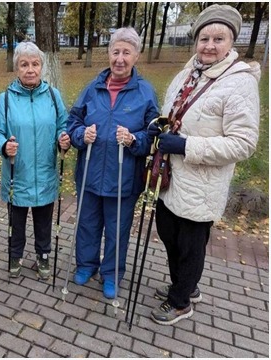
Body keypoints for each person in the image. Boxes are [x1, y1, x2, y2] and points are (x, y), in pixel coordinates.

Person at [149, 4, 260, 326]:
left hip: (202, 183)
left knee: (190, 245)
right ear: (196, 41)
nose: (209, 45)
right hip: (173, 179)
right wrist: (162, 125)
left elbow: (243, 143)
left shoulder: (239, 82)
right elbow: (175, 114)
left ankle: (181, 301)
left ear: (231, 43)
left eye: (218, 39)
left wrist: (186, 145)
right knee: (168, 234)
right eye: (204, 38)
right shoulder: (189, 73)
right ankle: (185, 286)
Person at [66, 27, 159, 299]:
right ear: (108, 54)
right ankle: (86, 264)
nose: (120, 58)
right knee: (87, 224)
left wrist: (133, 139)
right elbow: (73, 123)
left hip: (124, 178)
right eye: (115, 51)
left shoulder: (145, 93)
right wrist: (83, 134)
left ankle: (112, 273)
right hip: (90, 174)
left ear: (136, 56)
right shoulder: (92, 88)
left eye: (126, 52)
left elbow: (153, 135)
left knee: (117, 230)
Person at [0, 42, 70, 279]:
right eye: (24, 64)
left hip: (45, 172)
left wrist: (63, 139)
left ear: (42, 67)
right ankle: (15, 255)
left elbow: (63, 126)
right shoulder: (5, 99)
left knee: (44, 221)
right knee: (17, 220)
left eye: (35, 64)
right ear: (17, 69)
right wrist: (4, 145)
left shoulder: (53, 96)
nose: (30, 69)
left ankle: (43, 256)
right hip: (18, 173)